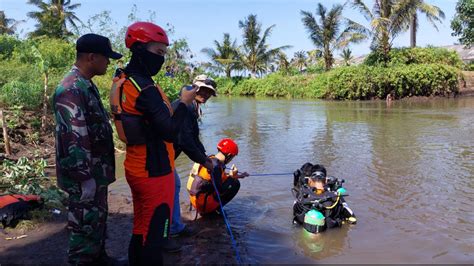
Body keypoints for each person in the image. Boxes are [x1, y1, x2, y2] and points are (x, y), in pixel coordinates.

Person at [109, 22, 196, 265]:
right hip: (154, 171)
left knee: (142, 227)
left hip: (137, 166)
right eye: (158, 53)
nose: (161, 60)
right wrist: (185, 101)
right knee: (156, 232)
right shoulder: (144, 87)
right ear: (139, 49)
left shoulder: (126, 80)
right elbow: (169, 131)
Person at [53, 33, 122, 264]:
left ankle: (100, 258)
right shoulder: (72, 88)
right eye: (107, 57)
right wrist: (84, 177)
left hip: (95, 171)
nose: (109, 62)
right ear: (92, 57)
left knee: (97, 221)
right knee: (84, 226)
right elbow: (74, 136)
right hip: (84, 174)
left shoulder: (85, 84)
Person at [170, 75, 217, 237]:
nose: (205, 94)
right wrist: (204, 161)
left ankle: (174, 226)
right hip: (159, 157)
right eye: (203, 90)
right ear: (194, 88)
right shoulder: (186, 107)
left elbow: (194, 137)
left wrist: (205, 157)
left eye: (209, 92)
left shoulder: (191, 108)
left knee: (173, 186)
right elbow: (185, 141)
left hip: (166, 158)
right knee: (171, 188)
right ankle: (172, 229)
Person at [186, 138, 248, 216]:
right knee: (235, 184)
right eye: (232, 158)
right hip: (203, 205)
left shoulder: (210, 159)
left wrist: (238, 176)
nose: (231, 160)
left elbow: (219, 178)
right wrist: (232, 177)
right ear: (229, 155)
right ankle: (213, 211)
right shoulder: (216, 167)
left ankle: (210, 208)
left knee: (232, 180)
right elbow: (220, 190)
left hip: (195, 200)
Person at [292, 163, 356, 234]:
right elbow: (351, 216)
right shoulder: (334, 197)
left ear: (309, 180)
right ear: (325, 180)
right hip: (330, 234)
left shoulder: (301, 195)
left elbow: (295, 212)